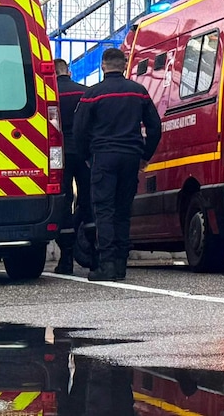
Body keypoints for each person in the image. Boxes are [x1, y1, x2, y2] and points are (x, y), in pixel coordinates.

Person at [74, 48, 161, 282]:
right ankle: (121, 264)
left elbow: (79, 131)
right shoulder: (139, 92)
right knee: (123, 210)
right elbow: (155, 127)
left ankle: (107, 265)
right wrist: (145, 155)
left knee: (104, 210)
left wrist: (86, 157)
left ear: (103, 66)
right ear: (124, 65)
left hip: (103, 157)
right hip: (131, 157)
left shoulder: (92, 95)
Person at [51, 58, 91, 275]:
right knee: (88, 199)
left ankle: (65, 259)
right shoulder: (85, 93)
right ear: (69, 71)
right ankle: (91, 253)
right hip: (85, 153)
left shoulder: (50, 95)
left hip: (60, 156)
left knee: (64, 201)